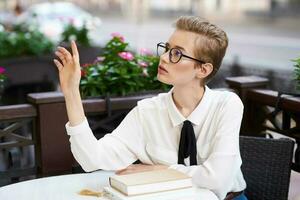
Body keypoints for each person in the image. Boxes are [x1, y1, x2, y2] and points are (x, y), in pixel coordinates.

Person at [53, 16, 247, 200]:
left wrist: (160, 170)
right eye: (167, 48)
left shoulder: (226, 105)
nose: (163, 58)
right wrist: (71, 92)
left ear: (203, 69)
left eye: (177, 53)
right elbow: (92, 159)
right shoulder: (147, 112)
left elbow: (217, 178)